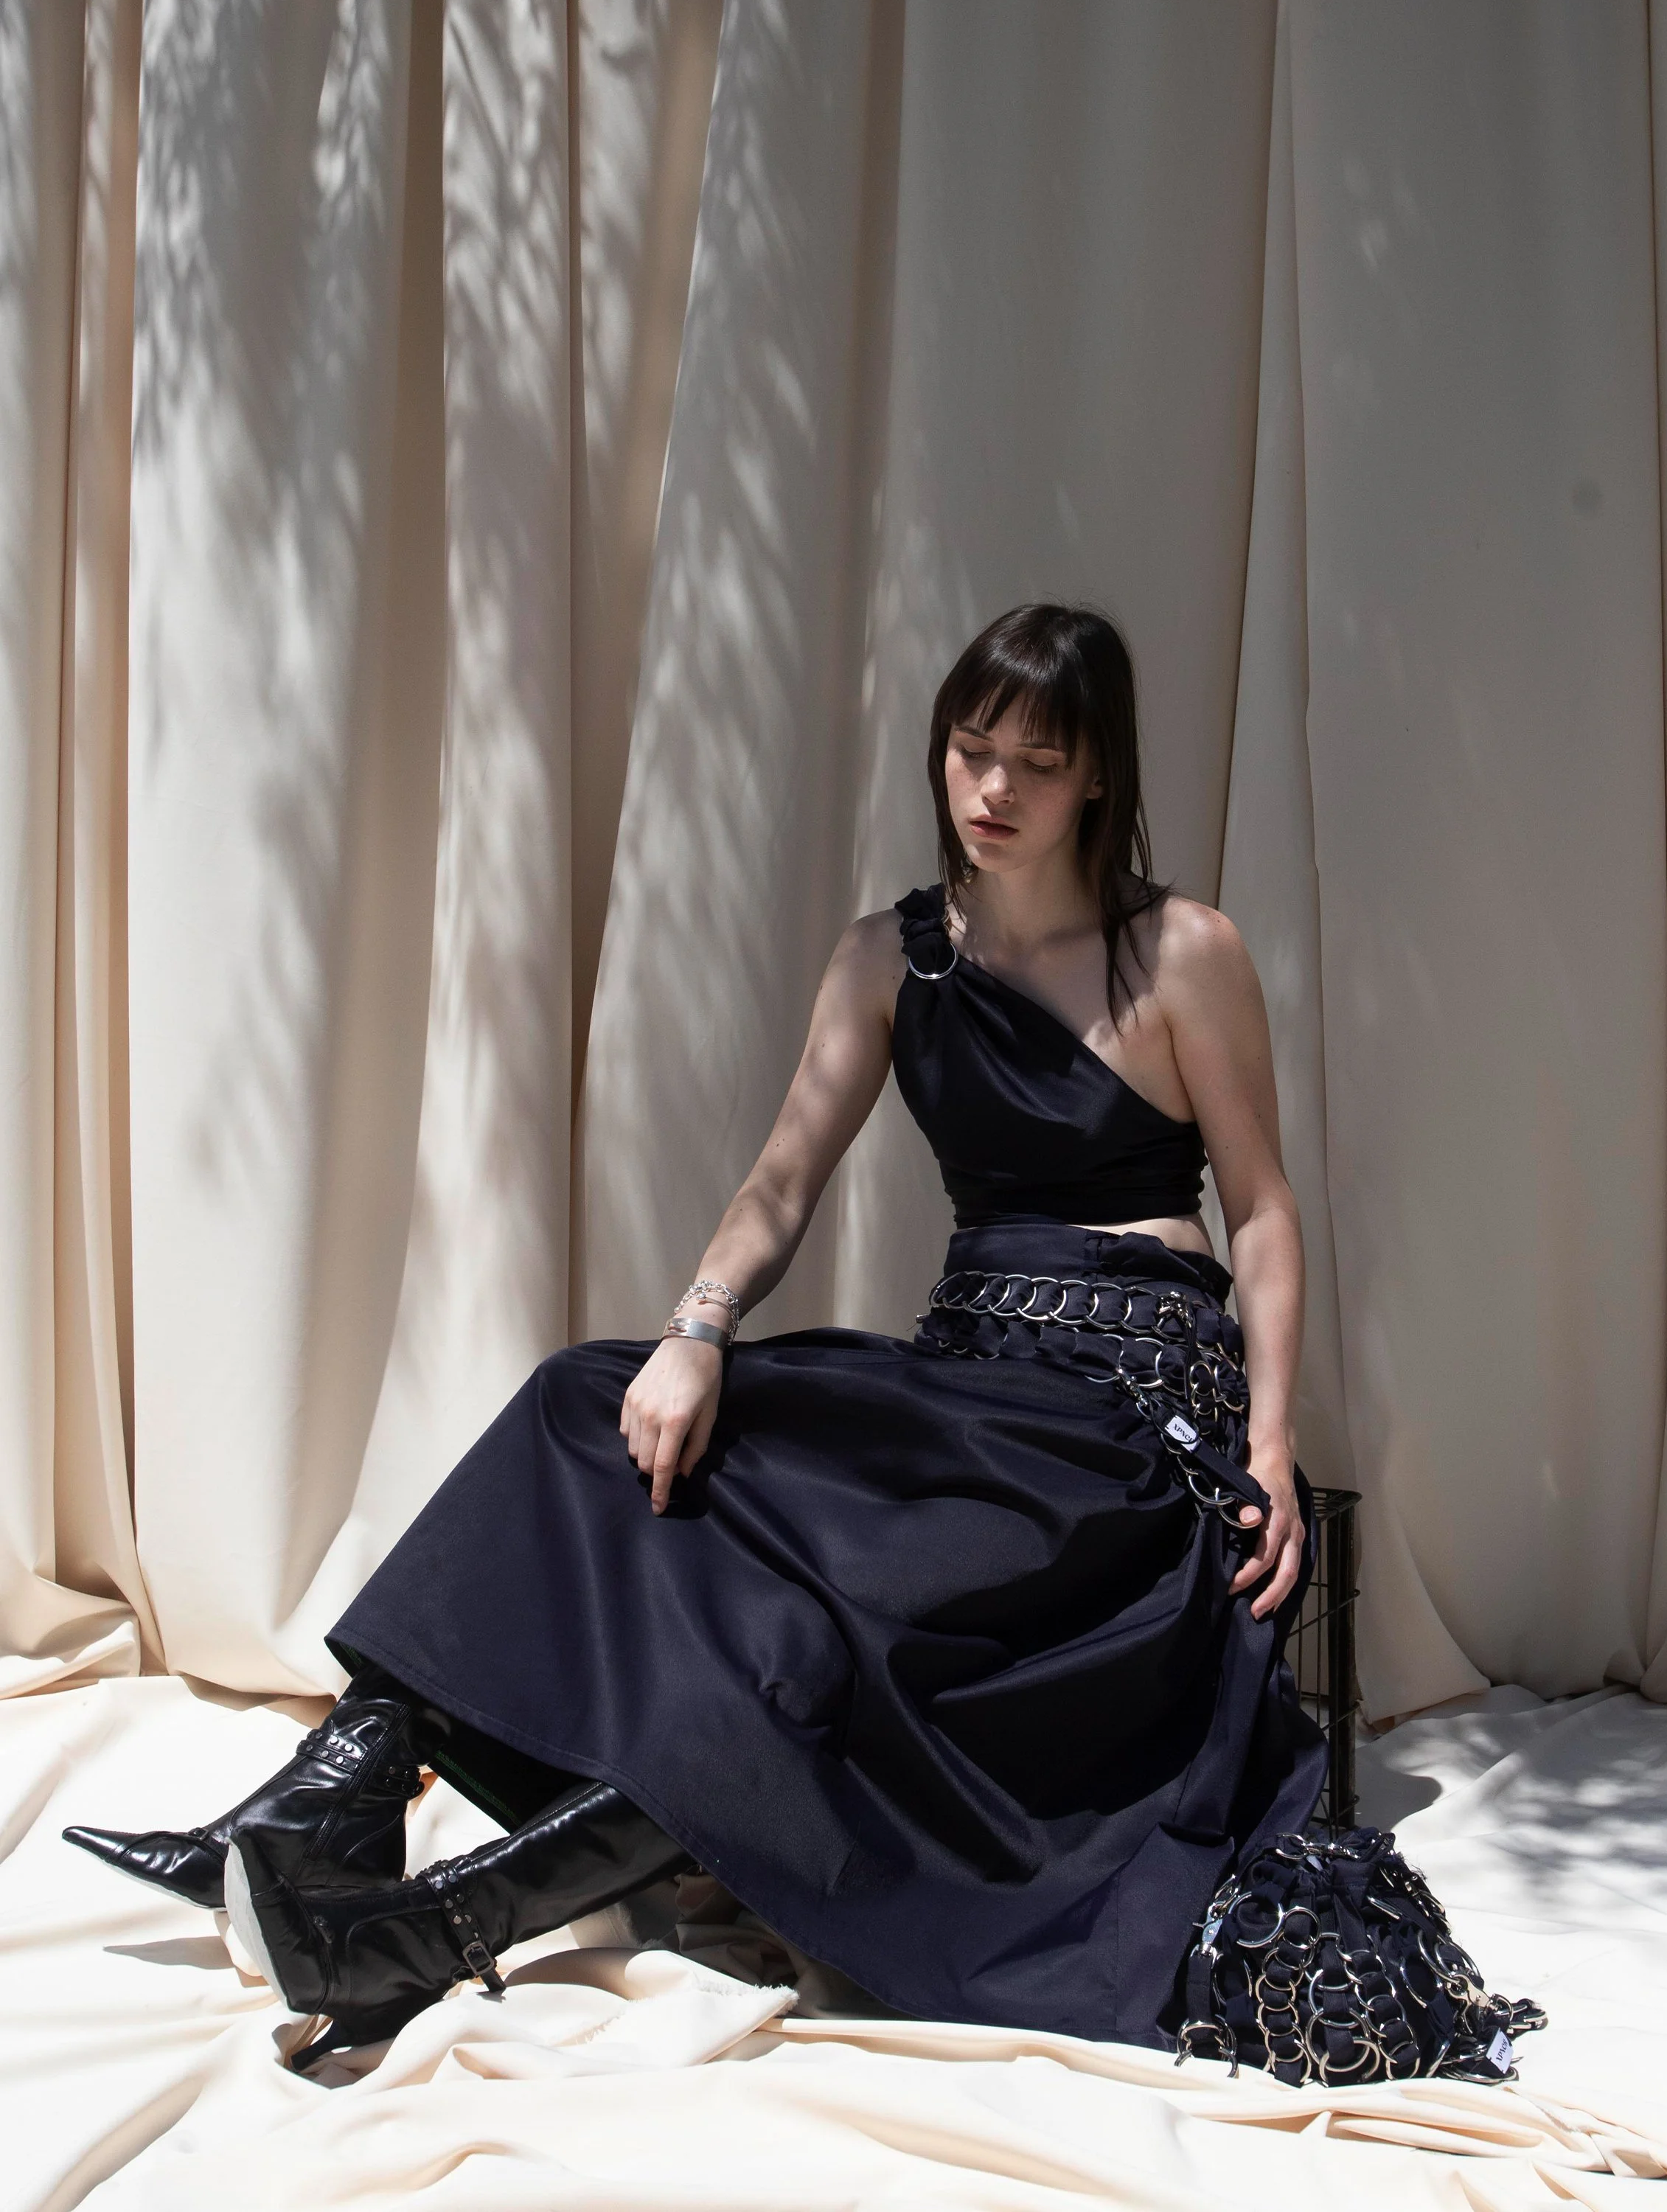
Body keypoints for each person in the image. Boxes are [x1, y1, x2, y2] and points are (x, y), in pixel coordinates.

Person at [67, 602, 1325, 2069]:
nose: (988, 791)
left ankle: (410, 1929)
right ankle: (325, 1803)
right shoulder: (891, 960)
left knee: (819, 1636)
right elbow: (781, 1179)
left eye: (1032, 764)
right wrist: (698, 1330)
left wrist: (1271, 1436)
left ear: (1096, 775)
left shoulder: (1181, 952)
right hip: (962, 1377)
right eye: (968, 752)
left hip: (1122, 1410)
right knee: (575, 1400)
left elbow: (1263, 1211)